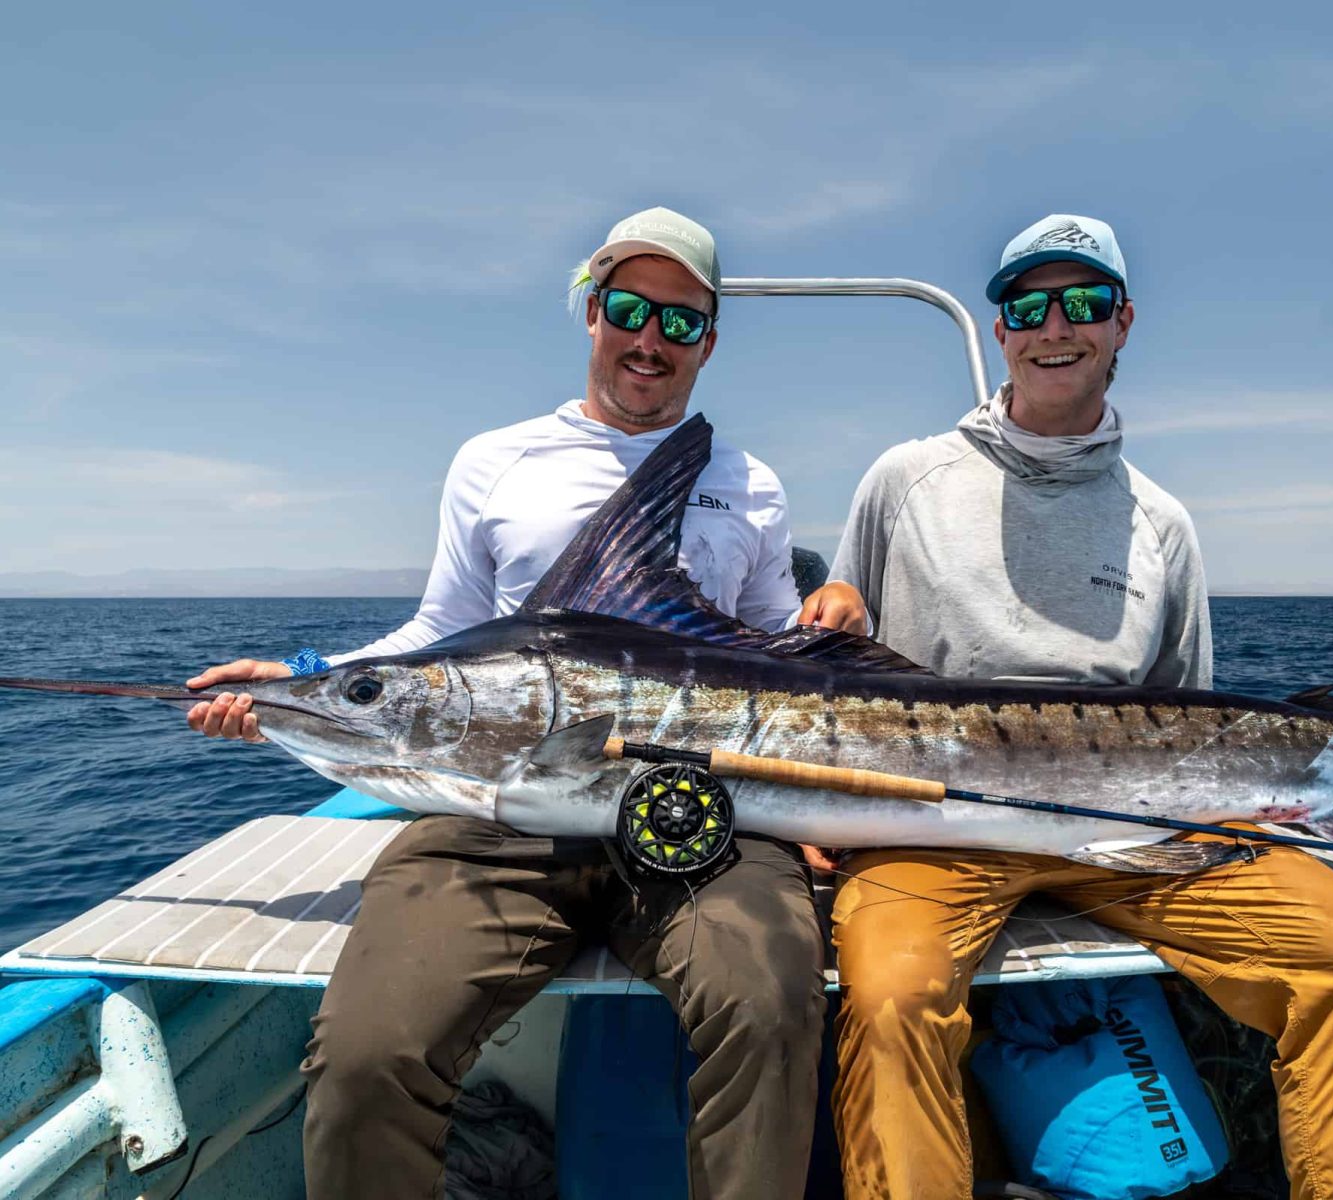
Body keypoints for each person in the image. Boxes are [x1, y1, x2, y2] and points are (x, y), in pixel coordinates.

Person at [186, 206, 866, 1199]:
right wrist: (301, 679)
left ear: (709, 342)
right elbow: (441, 632)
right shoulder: (496, 460)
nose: (651, 339)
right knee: (367, 1055)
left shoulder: (749, 482)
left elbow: (763, 645)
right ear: (593, 313)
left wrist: (829, 611)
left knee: (770, 1013)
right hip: (495, 818)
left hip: (690, 815)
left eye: (681, 321)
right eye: (630, 310)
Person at [826, 214, 1333, 1200]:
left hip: (1140, 830)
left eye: (1082, 302)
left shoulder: (1162, 522)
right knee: (890, 997)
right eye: (1028, 307)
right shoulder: (904, 479)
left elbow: (1196, 727)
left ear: (1121, 321)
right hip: (933, 822)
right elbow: (839, 663)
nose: (1055, 327)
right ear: (1001, 331)